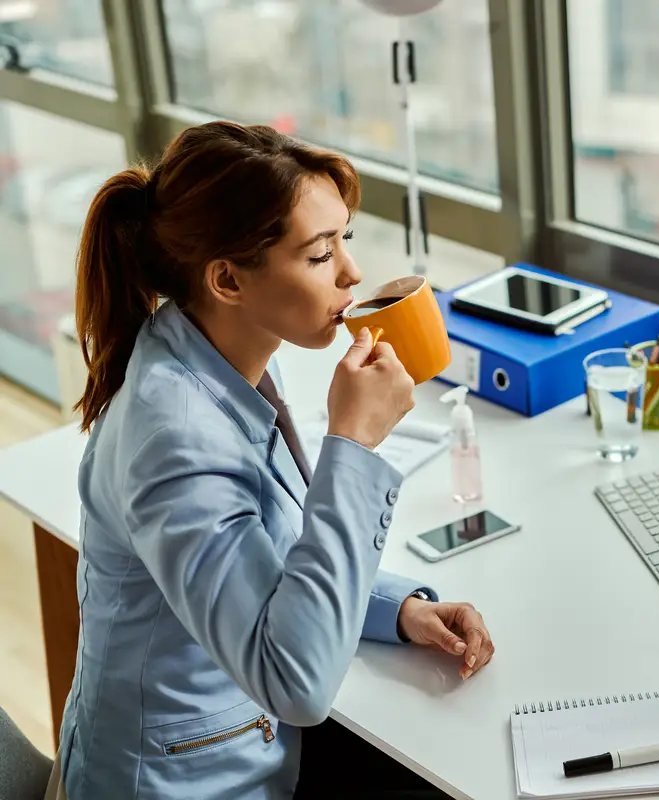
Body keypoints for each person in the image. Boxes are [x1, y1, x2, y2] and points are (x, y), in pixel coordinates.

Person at [50, 121, 494, 799]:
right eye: (319, 255)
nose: (351, 272)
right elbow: (298, 684)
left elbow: (268, 550)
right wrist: (353, 447)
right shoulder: (175, 437)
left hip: (243, 751)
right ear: (227, 279)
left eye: (344, 239)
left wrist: (394, 607)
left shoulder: (222, 353)